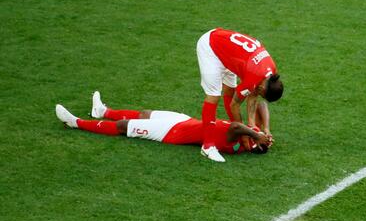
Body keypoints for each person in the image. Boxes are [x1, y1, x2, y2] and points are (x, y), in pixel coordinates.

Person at [55, 91, 272, 155]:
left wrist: (255, 136)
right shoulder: (252, 135)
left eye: (254, 140)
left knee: (124, 127)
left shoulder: (236, 143)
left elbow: (235, 127)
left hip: (171, 134)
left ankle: (76, 122)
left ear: (250, 146)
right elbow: (262, 104)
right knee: (144, 113)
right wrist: (265, 130)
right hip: (186, 121)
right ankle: (102, 111)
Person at [196, 27, 284, 162]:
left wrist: (252, 127)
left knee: (230, 89)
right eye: (262, 93)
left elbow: (253, 96)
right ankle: (207, 147)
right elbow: (235, 104)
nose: (259, 94)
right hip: (211, 48)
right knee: (214, 95)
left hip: (227, 50)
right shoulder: (253, 78)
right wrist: (245, 135)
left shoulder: (270, 71)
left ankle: (237, 128)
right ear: (261, 87)